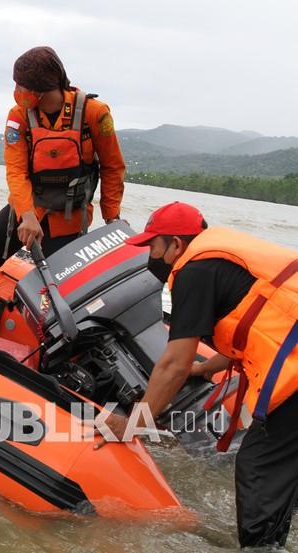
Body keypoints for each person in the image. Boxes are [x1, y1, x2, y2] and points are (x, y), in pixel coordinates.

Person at [96, 201, 298, 548]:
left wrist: (132, 424)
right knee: (280, 465)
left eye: (153, 245)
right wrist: (206, 369)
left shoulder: (193, 270)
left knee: (256, 466)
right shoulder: (219, 260)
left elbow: (174, 363)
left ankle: (263, 547)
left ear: (176, 244)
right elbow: (258, 319)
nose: (151, 255)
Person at [0, 46, 125, 320]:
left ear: (41, 89)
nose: (17, 91)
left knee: (59, 295)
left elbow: (113, 167)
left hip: (69, 219)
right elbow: (16, 171)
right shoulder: (18, 116)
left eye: (21, 85)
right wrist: (27, 215)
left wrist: (112, 218)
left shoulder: (94, 114)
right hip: (24, 210)